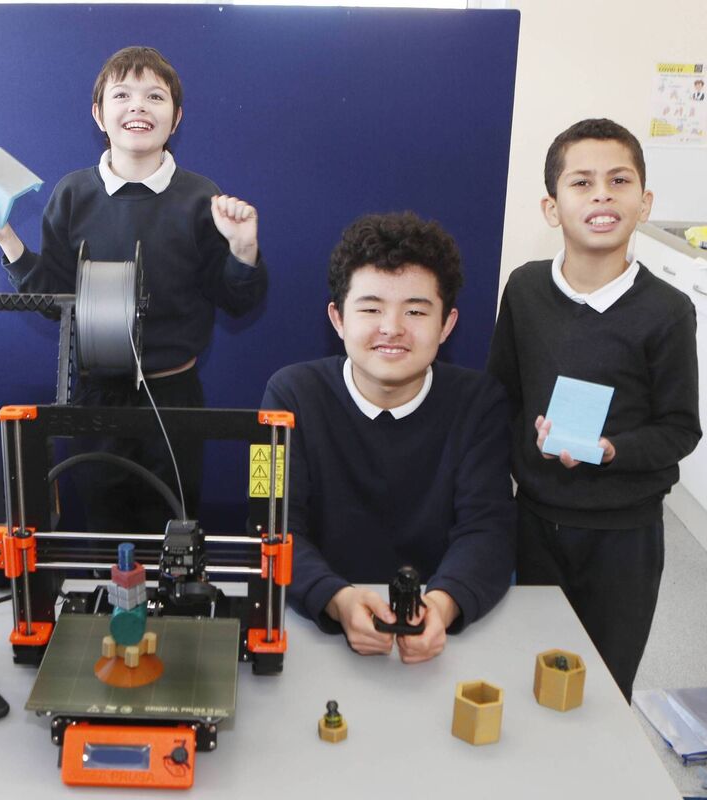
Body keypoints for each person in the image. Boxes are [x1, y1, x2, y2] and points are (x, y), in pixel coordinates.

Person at [0, 46, 267, 532]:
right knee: (105, 527)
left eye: (155, 96)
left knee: (176, 527)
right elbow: (56, 303)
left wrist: (243, 250)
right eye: (121, 94)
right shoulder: (72, 194)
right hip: (95, 395)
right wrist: (6, 238)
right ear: (98, 114)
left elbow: (238, 300)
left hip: (176, 395)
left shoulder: (201, 197)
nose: (138, 106)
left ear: (177, 117)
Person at [487, 118, 701, 701]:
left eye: (619, 180)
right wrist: (516, 463)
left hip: (623, 534)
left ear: (644, 202)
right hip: (534, 522)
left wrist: (612, 450)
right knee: (530, 675)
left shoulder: (668, 311)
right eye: (581, 183)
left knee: (603, 689)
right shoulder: (525, 290)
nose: (602, 194)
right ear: (552, 207)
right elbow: (499, 395)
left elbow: (681, 429)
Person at [262, 212, 516, 664]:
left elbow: (488, 530)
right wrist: (336, 598)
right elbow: (273, 523)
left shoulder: (480, 403)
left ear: (447, 324)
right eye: (371, 308)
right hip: (315, 626)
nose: (393, 327)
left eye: (416, 311)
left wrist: (442, 604)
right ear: (337, 319)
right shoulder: (288, 394)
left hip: (441, 633)